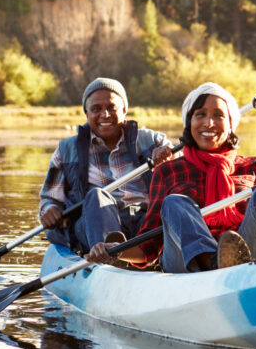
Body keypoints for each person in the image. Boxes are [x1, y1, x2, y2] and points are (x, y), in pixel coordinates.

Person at [86, 82, 256, 272]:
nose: (209, 123)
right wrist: (114, 251)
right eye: (201, 114)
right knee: (175, 202)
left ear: (230, 125)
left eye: (218, 115)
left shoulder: (253, 166)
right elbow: (150, 248)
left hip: (249, 254)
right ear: (189, 122)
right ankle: (211, 261)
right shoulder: (169, 170)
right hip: (189, 268)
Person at [39, 77, 173, 255]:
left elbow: (181, 179)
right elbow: (50, 198)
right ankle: (108, 255)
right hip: (93, 225)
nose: (105, 115)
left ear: (124, 110)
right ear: (86, 114)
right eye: (96, 109)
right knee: (96, 195)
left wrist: (167, 158)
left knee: (173, 206)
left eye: (112, 107)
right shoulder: (66, 150)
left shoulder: (154, 141)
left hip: (145, 223)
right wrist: (49, 209)